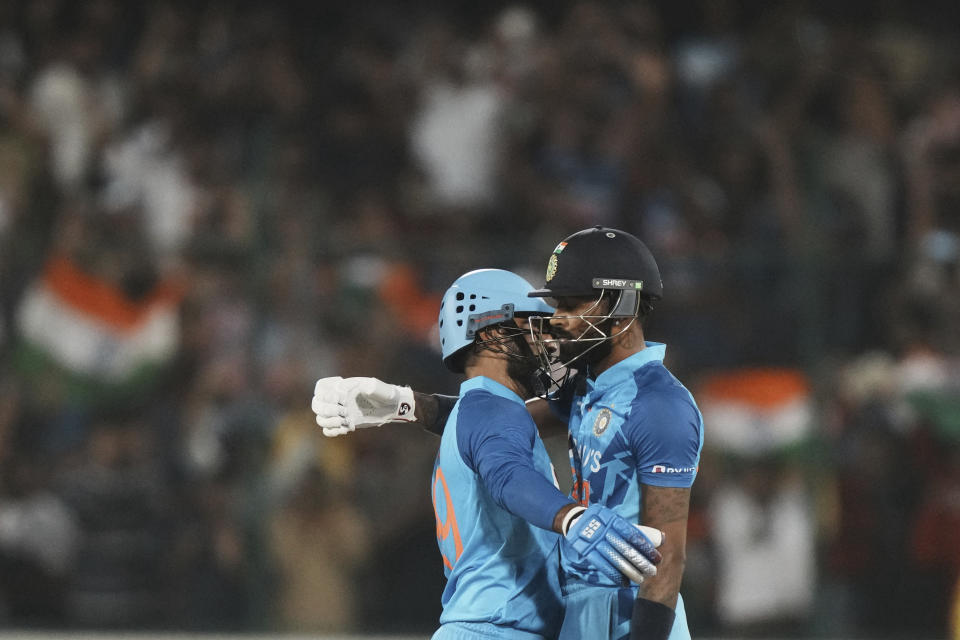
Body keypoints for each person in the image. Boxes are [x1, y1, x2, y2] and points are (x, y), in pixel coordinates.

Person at [314, 228, 702, 640]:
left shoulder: (660, 404)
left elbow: (669, 557)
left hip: (625, 614)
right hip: (560, 611)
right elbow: (500, 436)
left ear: (621, 310)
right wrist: (407, 404)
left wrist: (407, 405)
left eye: (570, 305)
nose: (555, 321)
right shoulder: (583, 389)